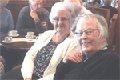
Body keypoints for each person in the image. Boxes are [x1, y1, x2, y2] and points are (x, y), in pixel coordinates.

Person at [1, 2, 80, 80]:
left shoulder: (74, 43)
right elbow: (30, 56)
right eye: (56, 19)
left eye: (63, 19)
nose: (59, 22)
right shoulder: (47, 34)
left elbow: (62, 73)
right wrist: (27, 77)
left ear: (70, 20)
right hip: (29, 74)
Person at [54, 14, 120, 79]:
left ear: (103, 35)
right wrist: (65, 61)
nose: (83, 37)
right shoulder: (78, 57)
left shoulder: (110, 61)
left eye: (89, 32)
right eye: (80, 33)